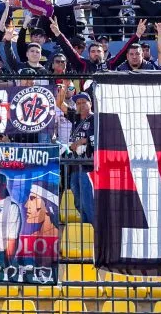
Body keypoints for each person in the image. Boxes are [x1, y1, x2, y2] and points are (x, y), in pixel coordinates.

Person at [65, 91, 95, 225]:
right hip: (75, 165)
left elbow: (97, 137)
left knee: (87, 200)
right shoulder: (76, 118)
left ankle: (95, 229)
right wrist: (64, 86)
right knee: (77, 200)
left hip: (88, 166)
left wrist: (80, 142)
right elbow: (60, 104)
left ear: (91, 104)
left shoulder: (95, 118)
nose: (81, 105)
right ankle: (86, 228)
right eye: (78, 103)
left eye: (84, 102)